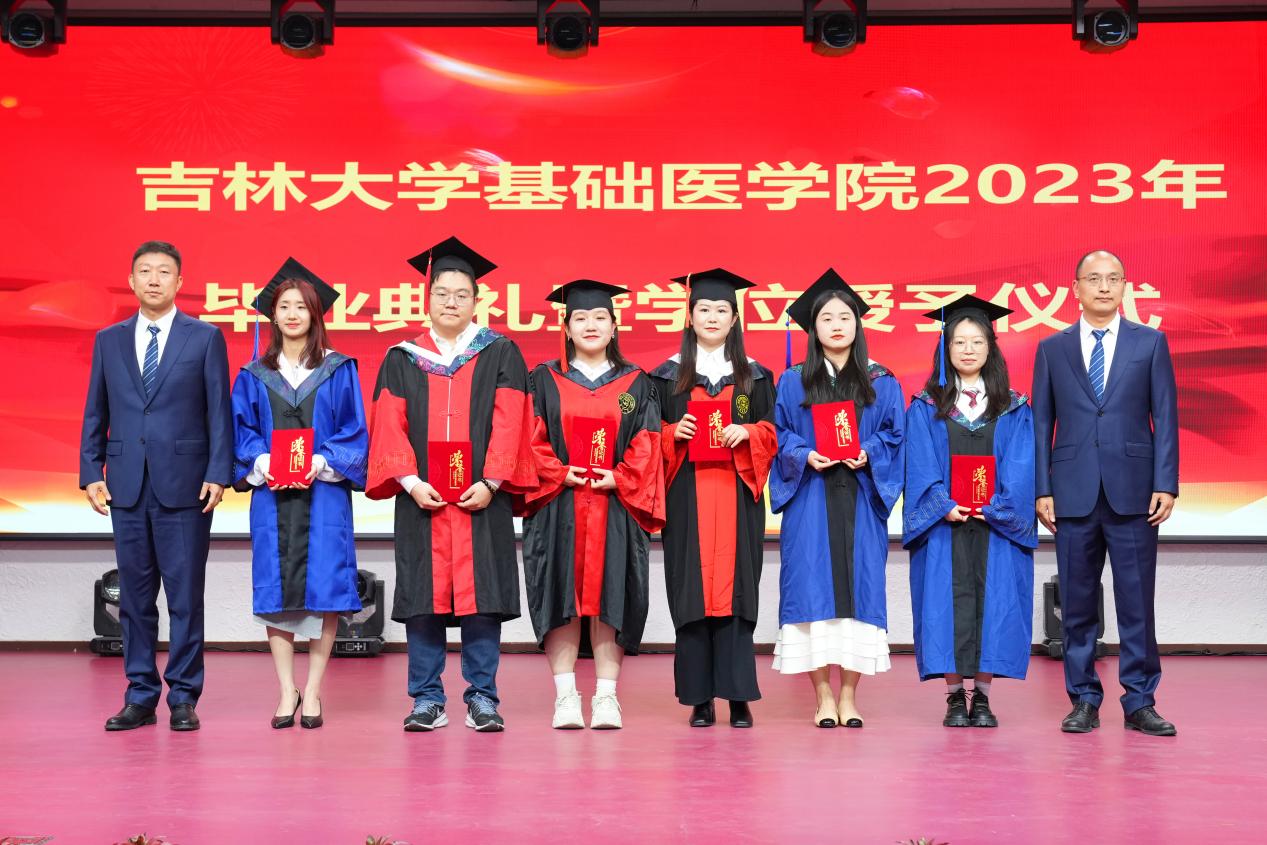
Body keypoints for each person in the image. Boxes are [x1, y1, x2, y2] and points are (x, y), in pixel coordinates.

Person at [365, 237, 536, 733]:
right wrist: (410, 481)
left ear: (476, 300)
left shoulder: (500, 352)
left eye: (462, 294)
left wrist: (492, 480)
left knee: (483, 599)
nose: (451, 302)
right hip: (422, 499)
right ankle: (427, 699)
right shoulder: (403, 357)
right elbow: (389, 422)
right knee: (424, 599)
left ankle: (482, 698)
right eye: (442, 293)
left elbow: (511, 418)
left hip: (483, 497)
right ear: (427, 298)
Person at [80, 240, 233, 732]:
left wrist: (218, 472)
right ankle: (140, 695)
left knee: (185, 598)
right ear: (131, 281)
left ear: (179, 282)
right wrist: (90, 471)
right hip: (125, 486)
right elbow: (96, 410)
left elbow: (219, 411)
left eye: (163, 271)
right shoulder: (108, 340)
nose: (153, 279)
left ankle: (183, 697)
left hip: (186, 486)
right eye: (144, 271)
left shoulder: (204, 338)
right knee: (135, 599)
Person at [1033, 250, 1179, 736]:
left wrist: (1165, 482)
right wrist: (1042, 489)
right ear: (1075, 288)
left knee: (1137, 602)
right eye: (1093, 279)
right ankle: (1083, 699)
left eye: (1113, 278)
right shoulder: (1052, 349)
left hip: (1135, 493)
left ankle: (1140, 701)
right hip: (1072, 493)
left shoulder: (1150, 343)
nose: (1103, 286)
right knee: (1077, 606)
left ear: (1124, 287)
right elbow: (1041, 425)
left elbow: (1166, 416)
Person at [231, 259, 369, 730]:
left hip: (324, 495)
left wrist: (321, 461)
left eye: (301, 307)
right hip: (271, 495)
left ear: (315, 314)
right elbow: (242, 431)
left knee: (325, 589)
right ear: (273, 315)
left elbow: (353, 430)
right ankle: (286, 688)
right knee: (275, 590)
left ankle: (312, 690)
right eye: (284, 306)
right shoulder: (254, 374)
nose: (292, 314)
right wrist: (262, 461)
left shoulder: (338, 369)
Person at [521, 280, 665, 730]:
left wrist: (619, 476)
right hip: (558, 504)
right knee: (559, 593)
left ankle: (606, 697)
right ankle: (565, 695)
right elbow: (528, 438)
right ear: (565, 327)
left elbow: (648, 442)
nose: (590, 325)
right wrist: (557, 471)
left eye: (600, 317)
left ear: (614, 325)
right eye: (580, 318)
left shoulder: (635, 382)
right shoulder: (543, 380)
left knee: (610, 596)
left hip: (614, 505)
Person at [769, 269, 904, 729]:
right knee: (809, 592)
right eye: (826, 318)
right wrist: (804, 454)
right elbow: (779, 434)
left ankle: (848, 695)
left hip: (861, 498)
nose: (837, 325)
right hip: (810, 497)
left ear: (857, 324)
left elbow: (896, 435)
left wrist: (869, 452)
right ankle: (822, 695)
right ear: (814, 328)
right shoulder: (793, 381)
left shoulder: (881, 381)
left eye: (845, 317)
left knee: (860, 593)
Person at [648, 269, 777, 728]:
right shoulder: (664, 377)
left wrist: (750, 432)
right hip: (687, 497)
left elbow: (774, 430)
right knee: (691, 592)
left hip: (737, 496)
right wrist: (672, 433)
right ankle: (699, 697)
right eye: (704, 309)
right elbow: (646, 435)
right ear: (689, 315)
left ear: (734, 318)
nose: (712, 317)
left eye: (722, 310)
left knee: (738, 593)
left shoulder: (755, 376)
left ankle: (738, 696)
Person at [902, 295, 1036, 728]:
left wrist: (997, 507)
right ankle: (954, 697)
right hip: (946, 525)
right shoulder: (926, 405)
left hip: (994, 526)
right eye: (959, 341)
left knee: (993, 605)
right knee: (945, 607)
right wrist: (942, 505)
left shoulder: (1013, 406)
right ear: (945, 349)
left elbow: (1021, 465)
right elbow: (919, 463)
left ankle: (983, 698)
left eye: (977, 341)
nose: (968, 349)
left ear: (991, 347)